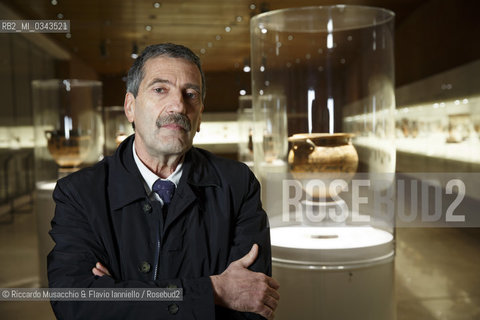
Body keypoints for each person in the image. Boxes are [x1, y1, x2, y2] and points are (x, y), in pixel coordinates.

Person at [47, 43, 279, 319]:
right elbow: (75, 303)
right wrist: (213, 291)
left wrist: (121, 292)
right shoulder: (80, 193)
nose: (179, 105)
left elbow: (252, 301)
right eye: (160, 90)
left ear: (200, 115)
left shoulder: (238, 184)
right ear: (130, 107)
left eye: (190, 94)